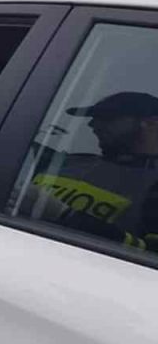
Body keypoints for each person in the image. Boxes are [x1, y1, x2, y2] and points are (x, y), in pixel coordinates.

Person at [21, 91, 158, 253]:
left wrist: (67, 217)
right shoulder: (66, 162)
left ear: (151, 123)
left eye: (107, 118)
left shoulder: (152, 187)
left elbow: (150, 257)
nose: (92, 125)